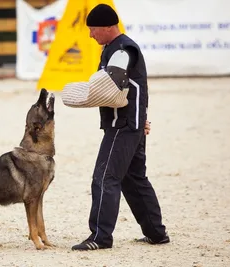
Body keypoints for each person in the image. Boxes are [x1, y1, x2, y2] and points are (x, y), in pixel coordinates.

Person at [70, 3, 170, 251]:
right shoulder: (114, 49)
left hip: (122, 126)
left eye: (93, 29)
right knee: (134, 179)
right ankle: (156, 233)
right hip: (131, 124)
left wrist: (81, 96)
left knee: (105, 177)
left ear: (107, 27)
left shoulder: (122, 50)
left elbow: (111, 88)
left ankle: (100, 237)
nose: (91, 34)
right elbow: (134, 90)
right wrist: (140, 119)